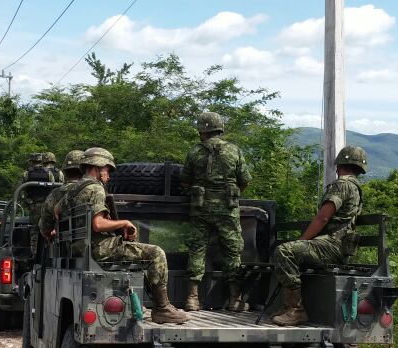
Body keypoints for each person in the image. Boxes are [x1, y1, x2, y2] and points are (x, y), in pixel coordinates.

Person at [62, 147, 189, 325]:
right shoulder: (96, 189)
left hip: (79, 247)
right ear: (98, 167)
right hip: (101, 248)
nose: (109, 175)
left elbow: (56, 210)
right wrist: (124, 223)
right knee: (156, 253)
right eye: (107, 169)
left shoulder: (73, 190)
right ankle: (162, 309)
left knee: (135, 250)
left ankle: (143, 302)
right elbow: (98, 225)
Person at [270, 145, 367, 326]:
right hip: (339, 246)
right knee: (292, 252)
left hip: (332, 245)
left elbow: (323, 218)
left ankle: (296, 310)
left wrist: (302, 240)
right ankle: (289, 308)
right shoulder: (355, 187)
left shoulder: (342, 185)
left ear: (340, 165)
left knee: (285, 251)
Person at [181, 111, 252, 312]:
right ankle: (235, 300)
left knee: (197, 250)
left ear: (202, 130)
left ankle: (192, 299)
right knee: (232, 252)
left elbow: (185, 180)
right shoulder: (234, 150)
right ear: (220, 129)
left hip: (200, 209)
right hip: (228, 210)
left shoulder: (194, 152)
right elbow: (244, 180)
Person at [39, 149, 85, 242]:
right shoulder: (96, 190)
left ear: (65, 171)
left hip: (65, 246)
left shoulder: (55, 194)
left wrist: (49, 234)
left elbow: (45, 227)